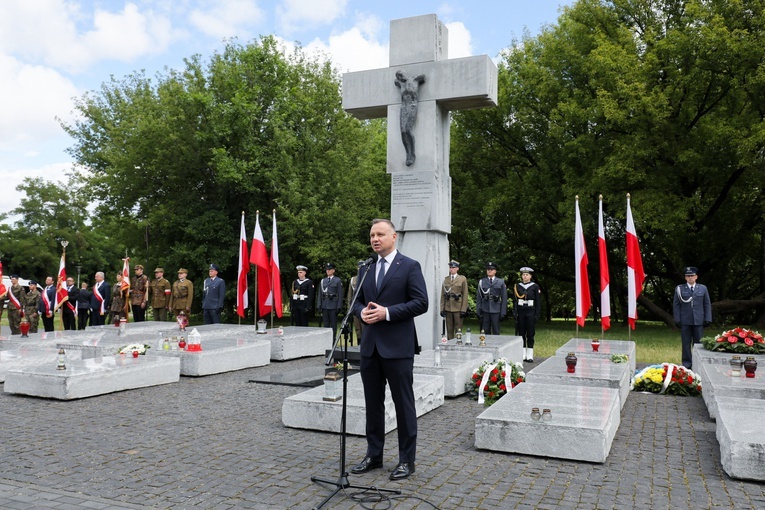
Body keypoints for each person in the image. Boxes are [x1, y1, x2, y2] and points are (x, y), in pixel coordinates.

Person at [351, 219, 428, 481]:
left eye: (380, 234)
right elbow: (356, 302)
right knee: (373, 405)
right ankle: (374, 455)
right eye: (372, 234)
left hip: (397, 348)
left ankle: (407, 460)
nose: (375, 238)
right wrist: (361, 312)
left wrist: (388, 313)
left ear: (393, 237)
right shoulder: (366, 268)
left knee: (403, 404)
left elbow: (421, 302)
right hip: (370, 347)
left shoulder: (409, 266)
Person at [673, 266, 712, 369]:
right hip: (685, 320)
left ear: (696, 277)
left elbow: (707, 304)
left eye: (692, 276)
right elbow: (676, 305)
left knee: (698, 343)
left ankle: (698, 363)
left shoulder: (703, 288)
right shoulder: (680, 289)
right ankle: (687, 364)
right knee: (686, 343)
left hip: (698, 320)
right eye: (688, 276)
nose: (690, 278)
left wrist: (708, 318)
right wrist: (677, 319)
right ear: (685, 278)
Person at [394, 70, 426, 166]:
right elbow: (396, 82)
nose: (400, 77)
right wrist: (398, 82)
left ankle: (412, 153)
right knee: (403, 131)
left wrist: (416, 78)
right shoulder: (400, 84)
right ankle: (408, 153)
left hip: (412, 106)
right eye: (398, 76)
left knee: (408, 129)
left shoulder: (415, 80)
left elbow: (423, 76)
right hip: (404, 108)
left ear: (405, 73)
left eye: (401, 74)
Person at [513, 267, 542, 362]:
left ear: (530, 276)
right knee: (521, 332)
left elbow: (538, 301)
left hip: (530, 311)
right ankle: (522, 353)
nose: (525, 276)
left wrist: (537, 314)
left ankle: (529, 354)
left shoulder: (535, 286)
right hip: (521, 311)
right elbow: (515, 300)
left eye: (527, 275)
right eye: (523, 275)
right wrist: (515, 311)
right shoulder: (518, 286)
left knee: (530, 333)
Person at [476, 262, 508, 335]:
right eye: (488, 269)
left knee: (496, 330)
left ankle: (496, 345)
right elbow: (479, 297)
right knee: (485, 331)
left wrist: (503, 312)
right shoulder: (482, 281)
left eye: (491, 269)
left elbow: (504, 298)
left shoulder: (500, 281)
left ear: (495, 271)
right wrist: (478, 310)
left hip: (496, 309)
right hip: (485, 309)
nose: (489, 271)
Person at [440, 260, 469, 340]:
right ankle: (450, 344)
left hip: (458, 307)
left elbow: (465, 294)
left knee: (458, 329)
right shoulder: (446, 279)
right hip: (448, 307)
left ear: (457, 268)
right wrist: (442, 308)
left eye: (453, 267)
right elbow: (442, 295)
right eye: (450, 267)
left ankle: (458, 344)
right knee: (449, 329)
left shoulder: (462, 279)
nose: (451, 269)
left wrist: (463, 309)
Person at [318, 262, 344, 338]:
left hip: (333, 305)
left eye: (329, 269)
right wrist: (319, 304)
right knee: (326, 324)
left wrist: (339, 306)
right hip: (325, 305)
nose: (328, 271)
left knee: (333, 325)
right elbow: (320, 293)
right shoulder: (323, 281)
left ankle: (332, 341)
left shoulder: (337, 280)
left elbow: (340, 294)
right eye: (327, 270)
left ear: (333, 270)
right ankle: (326, 341)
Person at [346, 260, 366, 344]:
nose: (359, 269)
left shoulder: (367, 277)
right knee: (357, 328)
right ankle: (359, 343)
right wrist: (349, 309)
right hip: (355, 307)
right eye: (359, 267)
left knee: (364, 327)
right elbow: (349, 296)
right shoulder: (353, 279)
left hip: (365, 307)